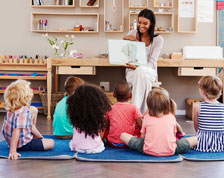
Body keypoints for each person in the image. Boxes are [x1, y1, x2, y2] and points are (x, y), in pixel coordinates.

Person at [120, 87, 197, 157]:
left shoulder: (147, 117)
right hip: (171, 150)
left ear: (149, 106)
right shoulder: (171, 117)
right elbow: (173, 137)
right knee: (195, 139)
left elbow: (142, 137)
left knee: (123, 135)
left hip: (148, 150)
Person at [123, 8, 164, 114]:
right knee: (139, 72)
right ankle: (144, 114)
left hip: (149, 71)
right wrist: (125, 39)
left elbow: (152, 62)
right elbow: (125, 54)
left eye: (145, 23)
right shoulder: (132, 32)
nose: (141, 25)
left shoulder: (158, 39)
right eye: (139, 22)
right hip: (132, 72)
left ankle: (135, 112)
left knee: (140, 71)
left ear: (151, 24)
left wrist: (138, 67)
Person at [2, 79, 54, 160]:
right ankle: (32, 140)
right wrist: (12, 151)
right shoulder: (23, 112)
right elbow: (16, 130)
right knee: (51, 143)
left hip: (11, 141)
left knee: (33, 109)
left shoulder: (12, 109)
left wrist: (40, 137)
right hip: (22, 144)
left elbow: (29, 125)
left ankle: (35, 138)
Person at [67, 84, 112, 153]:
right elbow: (101, 135)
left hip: (76, 148)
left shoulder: (75, 116)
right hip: (95, 149)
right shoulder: (98, 117)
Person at [105, 81, 142, 148]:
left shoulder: (110, 108)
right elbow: (141, 126)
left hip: (112, 143)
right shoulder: (134, 108)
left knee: (105, 130)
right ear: (130, 95)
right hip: (128, 142)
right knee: (138, 129)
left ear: (114, 95)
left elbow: (106, 126)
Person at [193, 75, 224, 152]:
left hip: (203, 143)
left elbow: (196, 125)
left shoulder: (197, 106)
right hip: (221, 143)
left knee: (188, 141)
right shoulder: (223, 107)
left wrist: (199, 135)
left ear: (202, 91)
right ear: (220, 92)